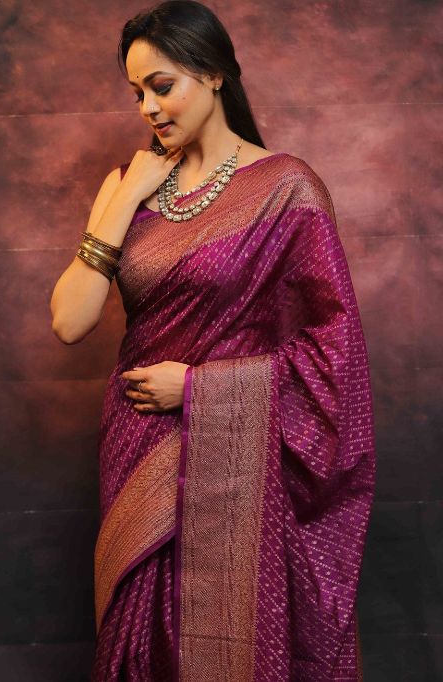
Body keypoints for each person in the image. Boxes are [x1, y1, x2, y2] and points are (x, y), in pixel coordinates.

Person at [50, 1, 376, 679]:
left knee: (224, 634)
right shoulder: (129, 188)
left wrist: (199, 388)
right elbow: (70, 323)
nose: (148, 107)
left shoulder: (286, 189)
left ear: (214, 73)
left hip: (234, 459)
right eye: (137, 93)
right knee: (138, 641)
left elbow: (334, 353)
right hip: (137, 446)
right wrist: (123, 199)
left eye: (162, 86)